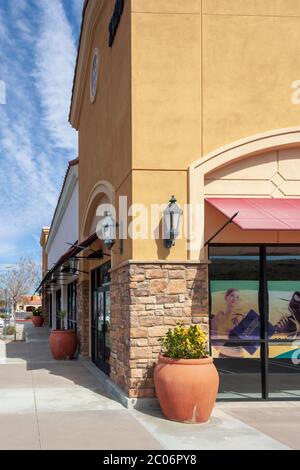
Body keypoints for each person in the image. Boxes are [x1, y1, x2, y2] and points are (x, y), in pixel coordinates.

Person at [211, 288, 244, 358]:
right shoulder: (219, 316)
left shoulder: (239, 317)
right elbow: (212, 333)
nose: (234, 299)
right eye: (232, 295)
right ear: (226, 297)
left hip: (238, 355)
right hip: (223, 354)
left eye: (237, 297)